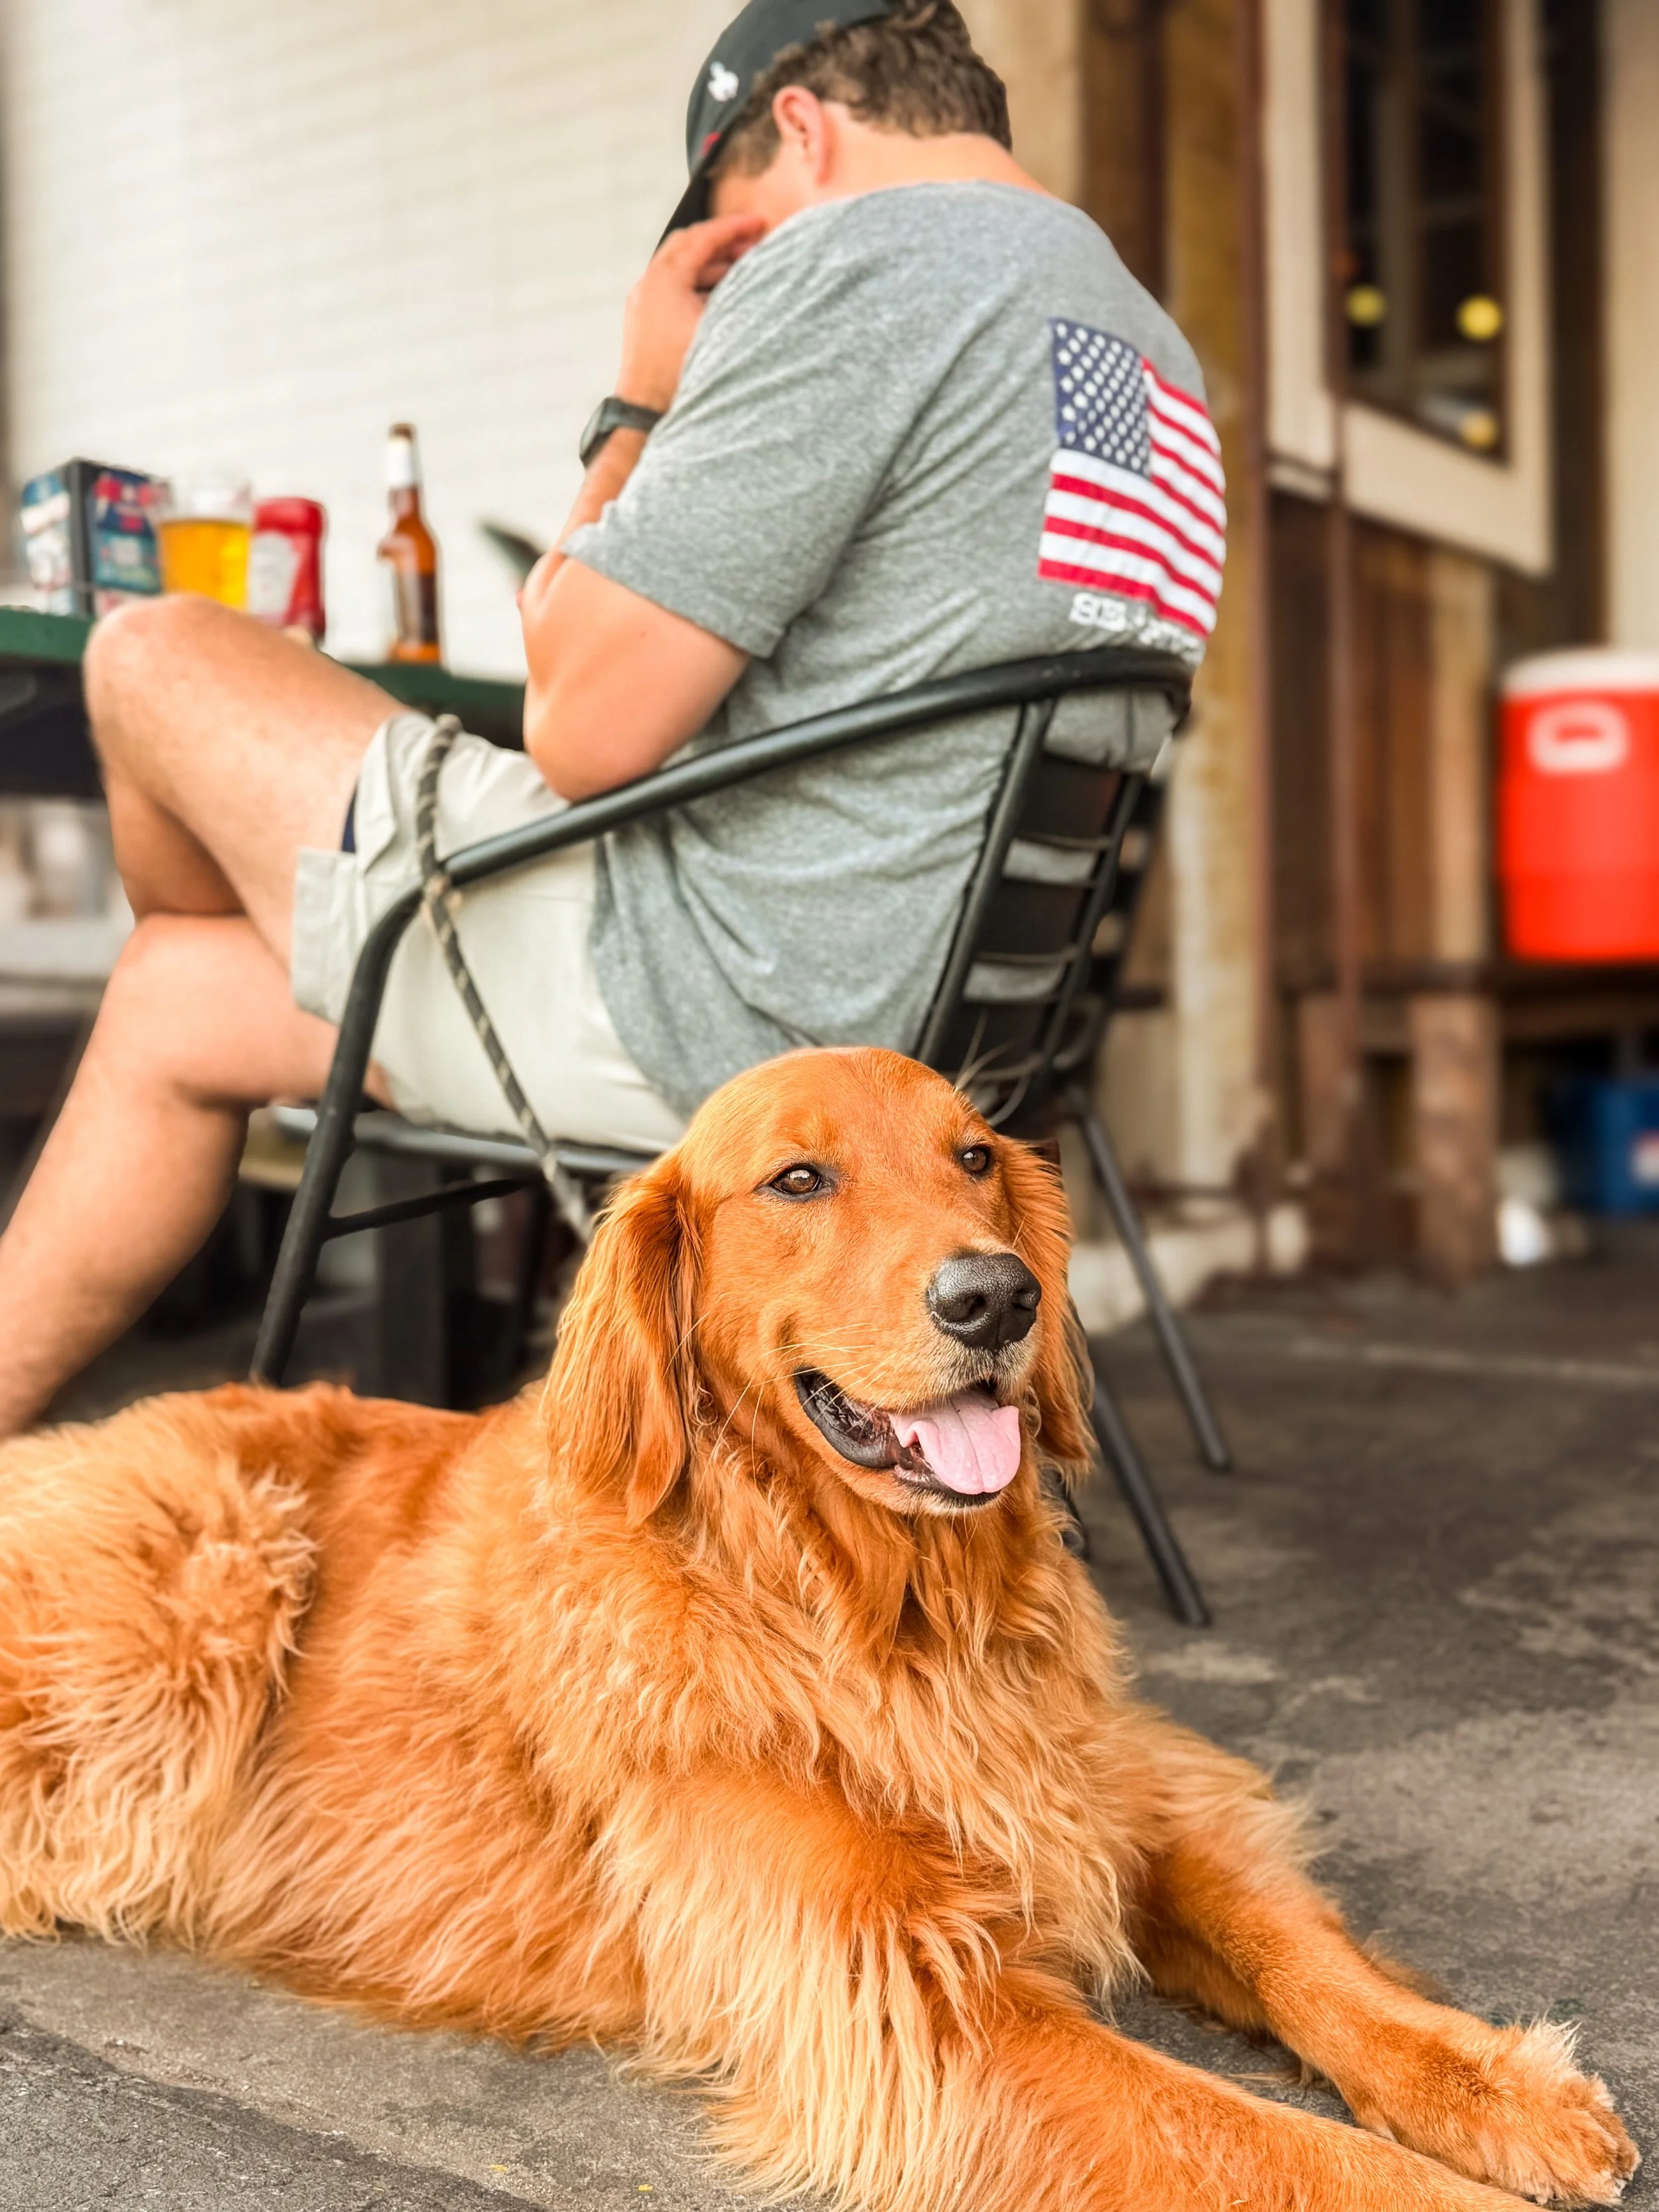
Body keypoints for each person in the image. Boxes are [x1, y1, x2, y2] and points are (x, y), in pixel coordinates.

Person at [0, 0, 1222, 1438]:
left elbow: (578, 727)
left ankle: (302, 955)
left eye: (728, 229)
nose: (734, 272)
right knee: (174, 1000)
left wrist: (639, 390)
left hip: (725, 1008)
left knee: (149, 650)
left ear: (803, 133)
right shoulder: (1146, 340)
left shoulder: (864, 260)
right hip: (942, 1031)